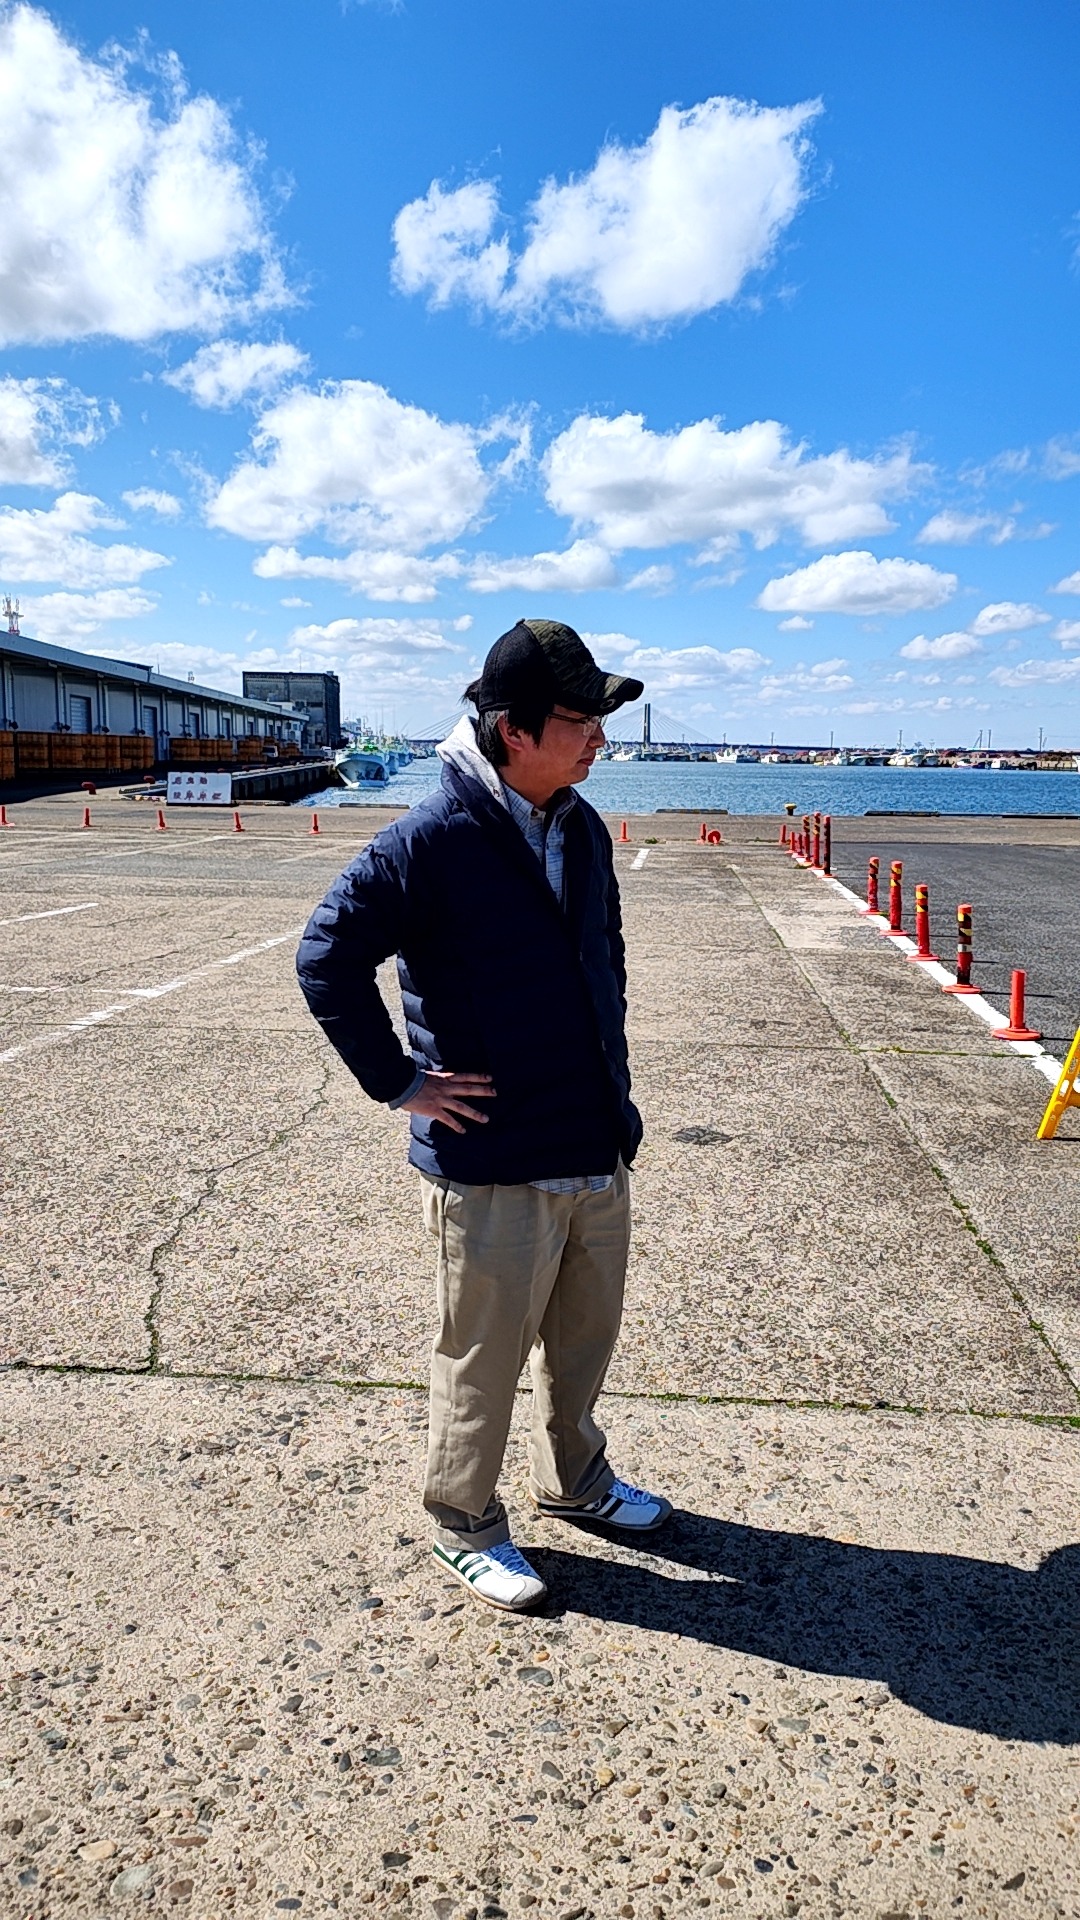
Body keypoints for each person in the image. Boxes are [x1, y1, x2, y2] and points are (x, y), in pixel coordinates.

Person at [296, 618, 671, 1612]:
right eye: (581, 721)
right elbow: (326, 956)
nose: (599, 739)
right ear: (514, 730)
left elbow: (603, 968)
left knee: (583, 1342)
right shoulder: (430, 841)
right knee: (482, 1358)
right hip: (492, 1158)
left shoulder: (578, 827)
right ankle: (463, 1521)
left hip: (591, 1140)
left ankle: (576, 1480)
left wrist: (617, 1099)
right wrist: (399, 1082)